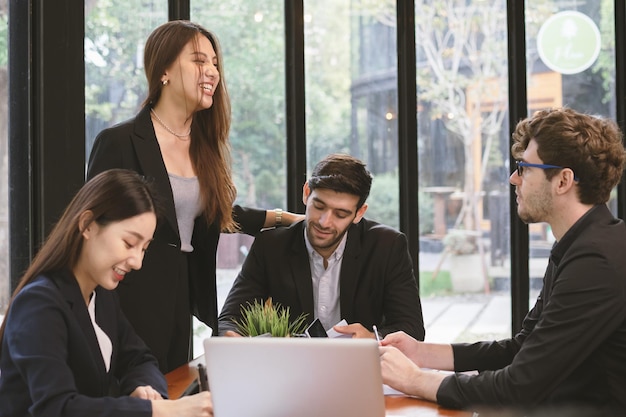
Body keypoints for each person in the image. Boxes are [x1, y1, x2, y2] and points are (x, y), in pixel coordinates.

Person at [86, 20, 301, 373]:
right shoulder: (119, 142)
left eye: (215, 63)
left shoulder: (205, 147)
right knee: (137, 393)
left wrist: (282, 219)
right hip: (129, 295)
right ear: (164, 71)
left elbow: (211, 214)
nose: (212, 72)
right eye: (200, 61)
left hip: (182, 292)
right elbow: (93, 230)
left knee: (172, 389)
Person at [379, 108, 626, 413]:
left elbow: (517, 388)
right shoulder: (580, 244)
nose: (513, 178)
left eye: (524, 168)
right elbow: (522, 347)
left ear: (563, 181)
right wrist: (421, 353)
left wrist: (416, 380)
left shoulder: (596, 260)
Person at [0, 169, 212, 417]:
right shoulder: (39, 304)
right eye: (129, 243)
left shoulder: (102, 296)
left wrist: (145, 388)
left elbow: (139, 359)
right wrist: (156, 410)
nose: (137, 262)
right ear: (88, 225)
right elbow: (56, 408)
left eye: (144, 248)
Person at [218, 153, 425, 340]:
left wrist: (372, 337)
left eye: (341, 214)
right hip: (293, 368)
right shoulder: (271, 246)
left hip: (359, 367)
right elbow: (229, 318)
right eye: (319, 206)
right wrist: (233, 337)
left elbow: (411, 328)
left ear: (359, 213)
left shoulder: (386, 247)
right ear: (307, 193)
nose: (325, 222)